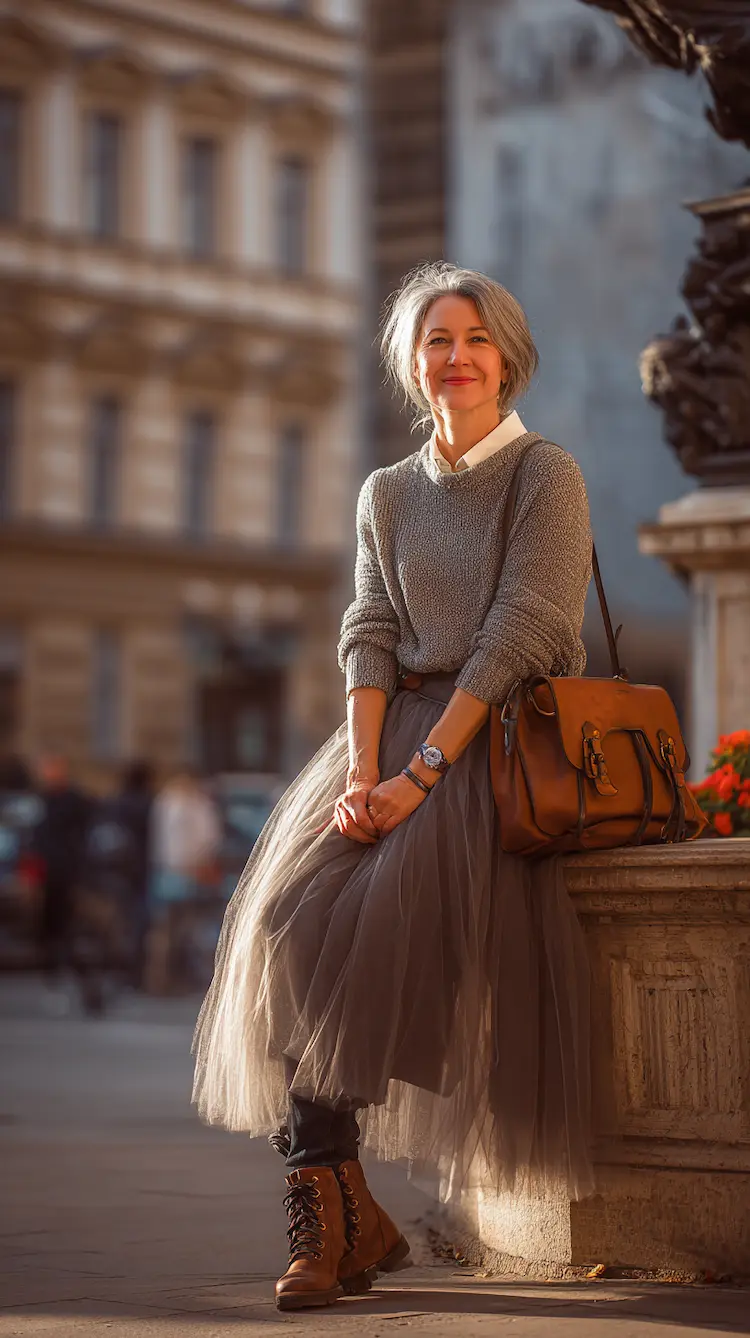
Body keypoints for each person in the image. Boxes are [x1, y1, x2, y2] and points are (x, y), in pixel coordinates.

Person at [193, 262, 594, 1311]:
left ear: (507, 358)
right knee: (284, 922)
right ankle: (340, 1203)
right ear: (411, 366)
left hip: (486, 741)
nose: (453, 357)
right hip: (386, 741)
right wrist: (366, 774)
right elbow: (367, 632)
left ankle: (328, 1223)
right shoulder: (386, 490)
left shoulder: (543, 473)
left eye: (472, 339)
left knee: (362, 936)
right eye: (433, 342)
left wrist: (418, 776)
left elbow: (524, 634)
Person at [147, 769, 221, 994]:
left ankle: (160, 978)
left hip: (165, 874)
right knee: (184, 930)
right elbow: (208, 840)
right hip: (188, 874)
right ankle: (175, 977)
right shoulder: (196, 805)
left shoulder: (164, 802)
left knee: (165, 930)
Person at [85, 761, 154, 989]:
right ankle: (133, 972)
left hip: (110, 873)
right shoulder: (148, 805)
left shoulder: (113, 804)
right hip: (139, 873)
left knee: (112, 927)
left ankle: (112, 969)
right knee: (137, 924)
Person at [31, 755, 93, 1007]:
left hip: (68, 875)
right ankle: (54, 979)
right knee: (49, 931)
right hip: (47, 876)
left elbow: (84, 837)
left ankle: (77, 980)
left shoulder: (74, 801)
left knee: (68, 931)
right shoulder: (42, 801)